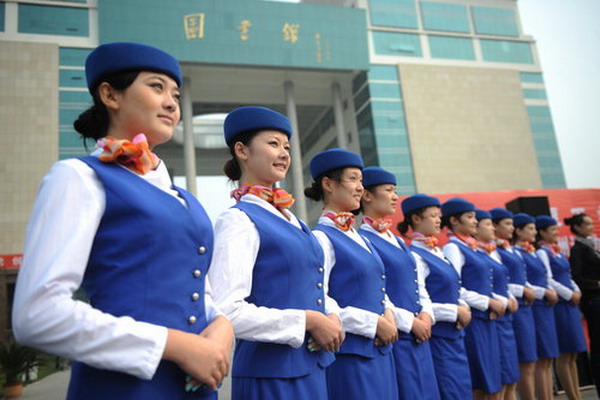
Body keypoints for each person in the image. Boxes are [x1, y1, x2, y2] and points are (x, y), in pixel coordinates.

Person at [11, 42, 233, 399]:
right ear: (110, 94)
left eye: (175, 93)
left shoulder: (183, 198)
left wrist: (223, 325)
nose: (171, 102)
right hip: (122, 389)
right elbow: (36, 315)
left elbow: (195, 291)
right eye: (156, 87)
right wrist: (173, 345)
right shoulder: (78, 177)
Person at [207, 106, 342, 400]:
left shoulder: (292, 219)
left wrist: (330, 314)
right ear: (242, 150)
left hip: (312, 367)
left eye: (287, 147)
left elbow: (312, 286)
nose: (284, 153)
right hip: (271, 377)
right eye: (273, 144)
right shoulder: (238, 220)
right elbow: (226, 310)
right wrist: (308, 320)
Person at [305, 149, 399, 400]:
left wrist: (388, 312)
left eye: (361, 180)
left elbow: (377, 285)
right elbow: (319, 299)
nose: (360, 187)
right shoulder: (321, 238)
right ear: (328, 184)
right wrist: (374, 323)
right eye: (353, 179)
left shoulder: (358, 236)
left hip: (381, 351)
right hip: (351, 356)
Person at [359, 168, 440, 400]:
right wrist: (410, 322)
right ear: (367, 195)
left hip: (420, 336)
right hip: (397, 337)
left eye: (396, 191)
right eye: (389, 190)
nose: (395, 197)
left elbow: (417, 283)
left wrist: (426, 314)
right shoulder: (363, 239)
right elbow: (377, 291)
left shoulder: (396, 240)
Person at [401, 194, 473, 400]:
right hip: (439, 337)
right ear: (416, 219)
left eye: (438, 216)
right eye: (432, 215)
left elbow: (453, 288)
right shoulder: (415, 255)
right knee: (450, 393)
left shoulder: (437, 251)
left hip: (455, 336)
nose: (438, 220)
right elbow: (420, 299)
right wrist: (454, 311)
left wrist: (462, 305)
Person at [442, 198, 504, 400]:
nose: (475, 221)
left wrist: (495, 300)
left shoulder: (473, 247)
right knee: (480, 383)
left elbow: (486, 283)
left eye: (475, 217)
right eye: (469, 217)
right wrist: (487, 302)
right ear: (454, 221)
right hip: (474, 321)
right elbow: (455, 288)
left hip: (488, 319)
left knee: (494, 382)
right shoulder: (453, 248)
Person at [536, 215, 587, 400]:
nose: (556, 233)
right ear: (541, 232)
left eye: (556, 230)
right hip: (561, 305)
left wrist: (577, 290)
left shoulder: (557, 251)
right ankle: (572, 396)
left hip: (571, 302)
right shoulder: (543, 252)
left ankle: (578, 394)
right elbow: (548, 279)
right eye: (552, 230)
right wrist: (568, 294)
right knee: (565, 354)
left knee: (574, 354)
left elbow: (568, 274)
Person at [490, 207, 538, 400]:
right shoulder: (495, 250)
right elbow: (499, 281)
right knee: (518, 366)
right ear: (494, 226)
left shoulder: (508, 249)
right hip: (509, 308)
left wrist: (527, 289)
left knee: (527, 364)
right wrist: (519, 291)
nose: (511, 228)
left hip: (521, 307)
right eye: (507, 224)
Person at [512, 213, 559, 400]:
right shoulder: (516, 253)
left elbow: (545, 278)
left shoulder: (532, 251)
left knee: (547, 359)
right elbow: (524, 282)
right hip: (534, 306)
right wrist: (542, 292)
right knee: (534, 361)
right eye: (530, 228)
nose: (534, 232)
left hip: (544, 306)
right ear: (518, 230)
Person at [474, 210, 520, 400]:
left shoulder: (491, 251)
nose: (492, 227)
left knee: (510, 377)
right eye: (487, 224)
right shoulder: (463, 250)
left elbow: (501, 282)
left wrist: (509, 297)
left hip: (504, 314)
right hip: (490, 315)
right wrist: (500, 301)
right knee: (496, 382)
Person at [565, 213, 600, 397]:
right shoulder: (578, 249)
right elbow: (577, 277)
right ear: (577, 227)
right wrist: (596, 285)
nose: (591, 226)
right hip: (593, 300)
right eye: (586, 224)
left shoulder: (591, 246)